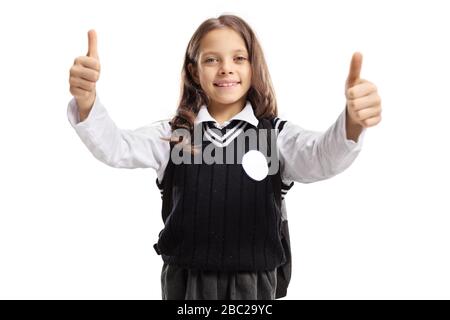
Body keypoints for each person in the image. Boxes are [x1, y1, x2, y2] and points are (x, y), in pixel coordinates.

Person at [67, 14, 382, 300]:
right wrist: (87, 102)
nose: (226, 68)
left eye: (239, 58)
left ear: (252, 67)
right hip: (185, 284)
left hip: (254, 286)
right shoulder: (175, 134)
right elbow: (116, 147)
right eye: (211, 60)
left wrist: (352, 123)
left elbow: (321, 157)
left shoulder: (275, 135)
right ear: (193, 70)